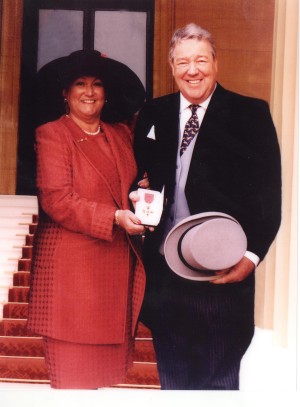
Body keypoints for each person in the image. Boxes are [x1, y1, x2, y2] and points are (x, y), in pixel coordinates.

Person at [132, 23, 281, 390]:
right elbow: (141, 175)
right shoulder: (154, 113)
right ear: (171, 67)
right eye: (183, 62)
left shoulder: (250, 113)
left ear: (216, 63)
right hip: (165, 274)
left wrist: (251, 257)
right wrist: (138, 192)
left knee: (218, 380)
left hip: (222, 270)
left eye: (201, 60)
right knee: (174, 378)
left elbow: (268, 194)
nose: (192, 70)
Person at [27, 50, 148, 389]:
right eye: (80, 83)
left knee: (106, 385)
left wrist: (141, 192)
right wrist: (114, 217)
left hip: (115, 277)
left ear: (106, 93)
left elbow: (129, 184)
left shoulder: (120, 134)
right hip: (74, 282)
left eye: (97, 84)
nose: (89, 91)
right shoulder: (53, 134)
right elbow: (57, 199)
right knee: (75, 386)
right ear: (65, 93)